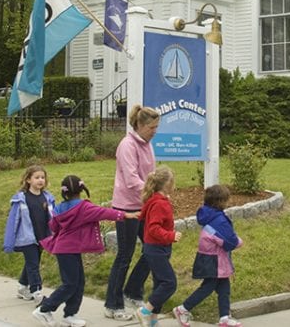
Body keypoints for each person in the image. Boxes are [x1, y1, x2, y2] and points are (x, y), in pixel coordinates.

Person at [32, 175, 138, 327]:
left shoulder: (60, 207)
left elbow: (53, 227)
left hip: (64, 250)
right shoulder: (83, 207)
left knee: (78, 282)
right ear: (81, 189)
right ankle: (44, 309)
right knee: (70, 284)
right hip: (68, 250)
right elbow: (104, 212)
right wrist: (127, 214)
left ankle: (70, 314)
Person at [103, 104, 160, 320]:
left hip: (144, 205)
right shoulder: (127, 145)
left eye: (157, 127)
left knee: (152, 250)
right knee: (124, 256)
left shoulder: (147, 144)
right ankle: (112, 305)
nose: (155, 131)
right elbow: (131, 179)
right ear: (140, 125)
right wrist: (154, 192)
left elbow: (150, 174)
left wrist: (155, 193)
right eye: (152, 127)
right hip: (127, 208)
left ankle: (132, 290)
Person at [173, 184, 244, 327]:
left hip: (211, 258)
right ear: (221, 201)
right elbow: (229, 241)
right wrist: (239, 241)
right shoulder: (219, 220)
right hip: (214, 261)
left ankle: (224, 317)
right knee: (208, 287)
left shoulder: (210, 215)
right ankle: (183, 309)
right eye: (227, 200)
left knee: (224, 287)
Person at [135, 166, 181, 327]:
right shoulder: (160, 204)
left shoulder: (155, 200)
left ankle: (153, 320)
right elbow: (154, 228)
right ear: (168, 183)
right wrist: (171, 236)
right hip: (156, 249)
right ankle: (144, 311)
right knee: (169, 283)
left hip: (157, 248)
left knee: (159, 283)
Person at [4, 164, 55, 302]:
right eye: (37, 177)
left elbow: (52, 217)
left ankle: (22, 287)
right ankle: (37, 293)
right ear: (28, 180)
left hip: (42, 237)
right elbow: (12, 222)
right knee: (33, 265)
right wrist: (9, 241)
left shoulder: (47, 198)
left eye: (42, 177)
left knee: (32, 262)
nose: (40, 180)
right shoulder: (21, 199)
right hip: (27, 238)